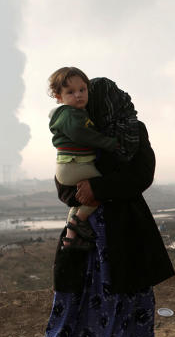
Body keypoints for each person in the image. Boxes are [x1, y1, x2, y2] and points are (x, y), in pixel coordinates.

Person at [13, 75, 174, 337]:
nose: (84, 102)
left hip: (124, 232)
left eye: (90, 96)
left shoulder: (132, 131)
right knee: (72, 304)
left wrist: (98, 189)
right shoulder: (79, 129)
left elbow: (142, 174)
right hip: (85, 235)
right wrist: (76, 193)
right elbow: (64, 174)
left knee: (128, 305)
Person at [47, 67, 127, 250]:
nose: (78, 95)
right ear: (59, 97)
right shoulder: (69, 114)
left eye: (82, 90)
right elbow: (83, 135)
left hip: (70, 167)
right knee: (101, 189)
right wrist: (109, 143)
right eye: (70, 92)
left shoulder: (76, 114)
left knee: (83, 199)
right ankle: (78, 221)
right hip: (75, 166)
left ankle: (69, 237)